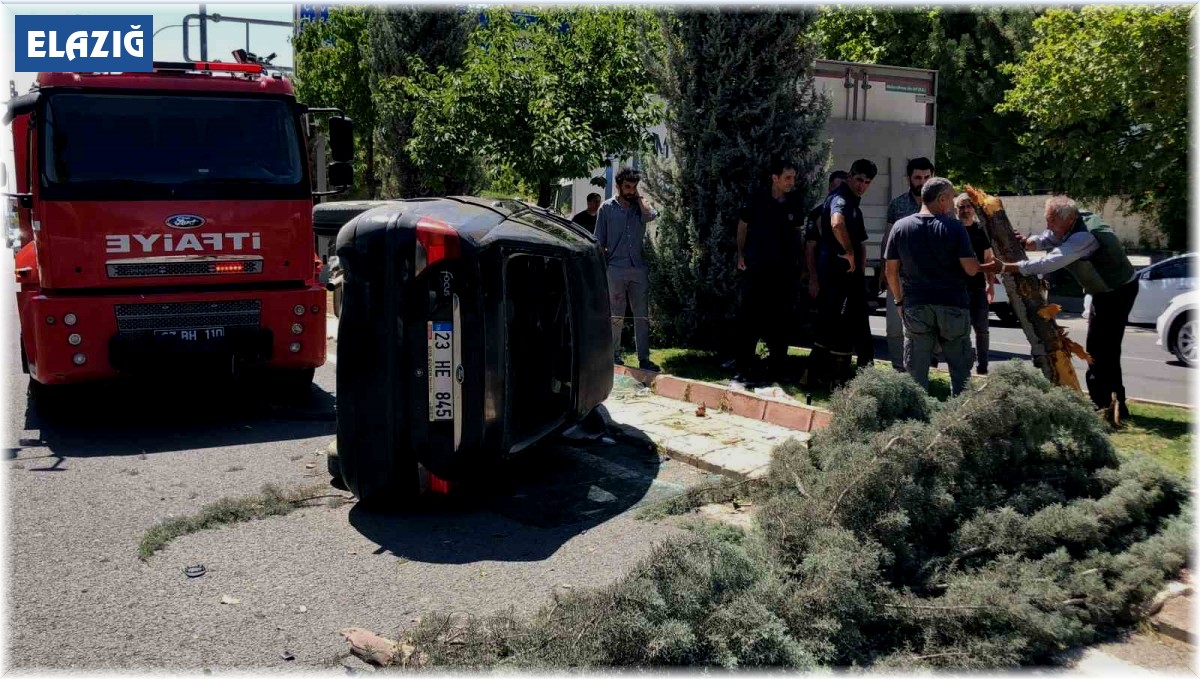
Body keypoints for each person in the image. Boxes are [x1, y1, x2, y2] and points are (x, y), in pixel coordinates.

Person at [981, 196, 1138, 417]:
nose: (1048, 226)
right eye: (1048, 220)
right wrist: (1029, 242)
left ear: (1070, 218)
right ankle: (1116, 404)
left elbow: (1050, 262)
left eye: (1052, 222)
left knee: (1099, 350)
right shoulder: (1071, 222)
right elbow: (1050, 237)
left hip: (1116, 293)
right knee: (1108, 350)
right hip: (1107, 291)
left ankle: (1101, 404)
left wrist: (1007, 267)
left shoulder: (1083, 237)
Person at [884, 177, 981, 395]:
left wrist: (899, 301)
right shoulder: (955, 228)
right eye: (952, 198)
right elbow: (971, 269)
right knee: (960, 370)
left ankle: (916, 420)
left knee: (916, 372)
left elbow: (890, 271)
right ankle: (960, 418)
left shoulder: (900, 227)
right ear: (942, 198)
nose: (952, 203)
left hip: (916, 305)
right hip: (953, 305)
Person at [733, 158, 806, 382]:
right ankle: (744, 366)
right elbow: (743, 226)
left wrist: (801, 264)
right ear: (775, 178)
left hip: (783, 271)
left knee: (780, 320)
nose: (791, 182)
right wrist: (741, 254)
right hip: (757, 268)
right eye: (787, 178)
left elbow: (798, 233)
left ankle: (777, 367)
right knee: (750, 319)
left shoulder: (794, 201)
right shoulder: (757, 199)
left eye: (793, 178)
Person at [807, 158, 876, 388]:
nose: (862, 185)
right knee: (839, 326)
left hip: (848, 276)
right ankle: (833, 380)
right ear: (849, 176)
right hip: (837, 275)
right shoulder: (841, 198)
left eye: (867, 182)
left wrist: (858, 263)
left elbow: (862, 241)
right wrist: (848, 251)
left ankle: (817, 377)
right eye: (859, 179)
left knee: (834, 325)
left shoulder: (853, 203)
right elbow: (837, 223)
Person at [594, 167, 661, 372]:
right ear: (618, 187)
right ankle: (614, 356)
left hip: (637, 269)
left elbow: (651, 216)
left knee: (641, 315)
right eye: (627, 187)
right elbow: (598, 241)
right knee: (616, 315)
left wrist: (639, 199)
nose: (631, 191)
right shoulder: (606, 209)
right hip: (615, 268)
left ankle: (644, 359)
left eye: (633, 187)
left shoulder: (639, 207)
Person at [882, 157, 935, 372]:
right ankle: (898, 370)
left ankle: (923, 370)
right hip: (899, 276)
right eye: (917, 177)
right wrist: (884, 270)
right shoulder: (898, 204)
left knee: (928, 328)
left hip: (930, 279)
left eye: (926, 177)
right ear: (909, 178)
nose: (922, 182)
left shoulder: (942, 205)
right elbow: (887, 238)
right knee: (895, 328)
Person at [955, 193, 996, 375]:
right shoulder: (952, 229)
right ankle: (962, 366)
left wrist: (990, 285)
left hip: (978, 287)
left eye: (968, 206)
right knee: (959, 332)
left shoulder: (981, 230)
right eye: (961, 207)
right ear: (956, 210)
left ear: (973, 209)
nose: (965, 210)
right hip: (956, 288)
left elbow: (988, 258)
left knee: (982, 329)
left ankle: (983, 367)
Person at [804, 170, 848, 300]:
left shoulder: (851, 212)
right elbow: (810, 247)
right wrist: (813, 279)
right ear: (830, 188)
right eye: (836, 188)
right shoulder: (818, 214)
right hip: (825, 273)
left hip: (846, 273)